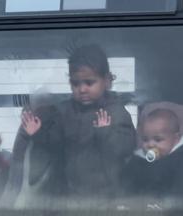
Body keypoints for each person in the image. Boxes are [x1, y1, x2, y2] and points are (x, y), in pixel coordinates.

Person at [21, 44, 136, 208]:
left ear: (107, 81)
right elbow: (55, 145)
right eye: (76, 83)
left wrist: (105, 134)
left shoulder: (116, 112)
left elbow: (125, 149)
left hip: (105, 198)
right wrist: (38, 134)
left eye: (89, 82)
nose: (82, 89)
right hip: (68, 196)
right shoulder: (64, 112)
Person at [123, 108, 183, 209]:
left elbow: (182, 190)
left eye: (158, 139)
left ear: (176, 139)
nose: (150, 144)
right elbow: (126, 183)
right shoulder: (138, 160)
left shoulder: (182, 160)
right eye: (145, 139)